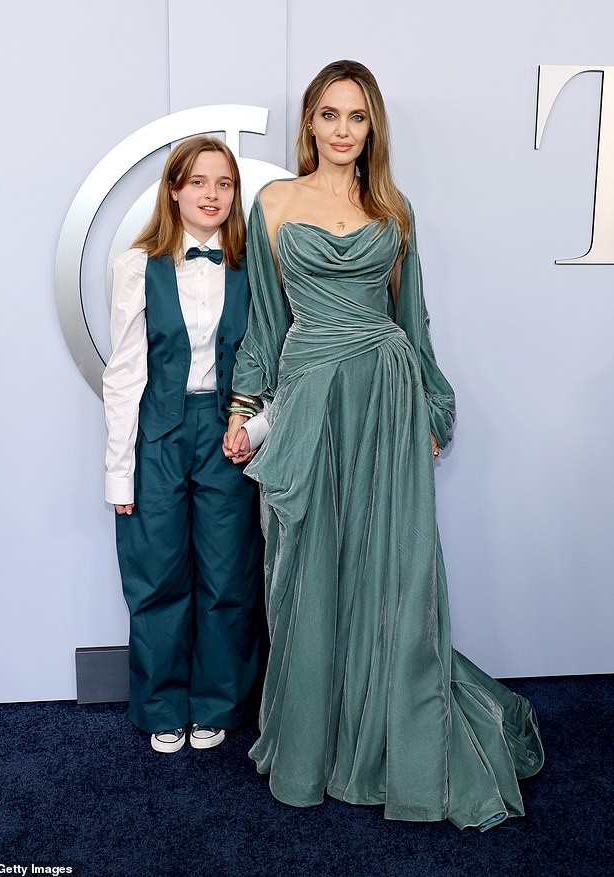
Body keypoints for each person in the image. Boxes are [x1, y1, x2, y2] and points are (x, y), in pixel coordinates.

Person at [223, 61, 543, 829]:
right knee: (303, 568)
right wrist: (244, 408)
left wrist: (432, 406)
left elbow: (413, 319)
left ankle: (385, 736)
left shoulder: (393, 209)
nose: (341, 130)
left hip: (387, 396)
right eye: (329, 115)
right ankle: (311, 745)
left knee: (389, 571)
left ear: (372, 128)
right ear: (309, 123)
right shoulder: (272, 202)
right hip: (308, 399)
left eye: (356, 117)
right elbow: (265, 324)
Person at [103, 135, 264, 754]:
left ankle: (217, 703)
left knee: (227, 577)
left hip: (229, 436)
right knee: (157, 576)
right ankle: (161, 705)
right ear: (173, 190)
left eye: (224, 184)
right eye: (198, 181)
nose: (212, 195)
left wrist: (255, 426)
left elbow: (271, 360)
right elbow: (122, 374)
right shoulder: (137, 266)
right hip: (158, 433)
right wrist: (118, 473)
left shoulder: (256, 268)